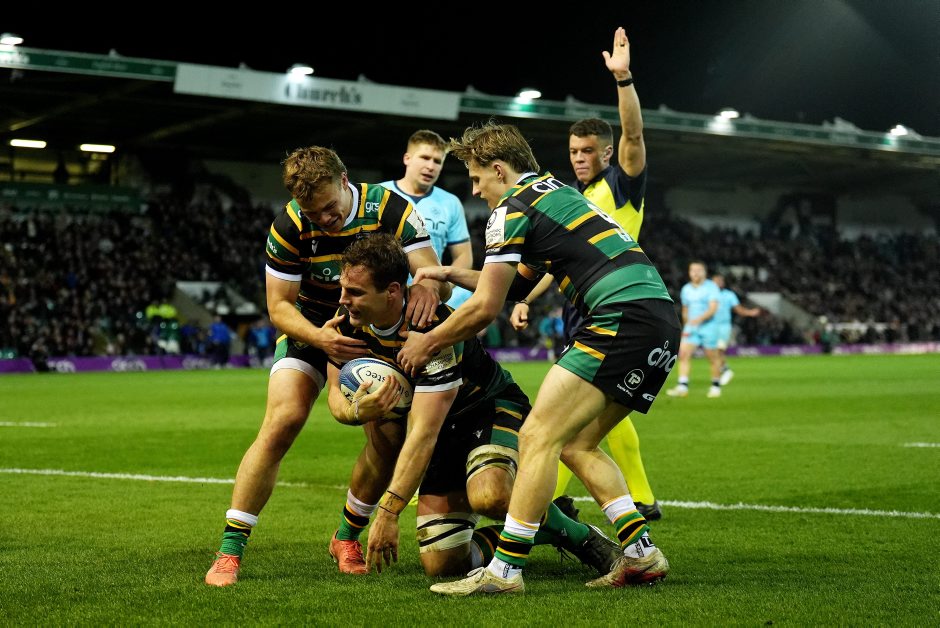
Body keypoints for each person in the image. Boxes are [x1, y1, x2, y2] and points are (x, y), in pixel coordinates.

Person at [398, 119, 680, 593]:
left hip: (618, 318)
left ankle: (504, 572)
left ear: (499, 170)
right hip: (658, 320)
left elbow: (486, 306)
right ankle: (640, 553)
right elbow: (517, 285)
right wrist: (447, 272)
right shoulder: (555, 193)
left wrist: (427, 342)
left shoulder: (510, 209)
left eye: (477, 179)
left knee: (536, 437)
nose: (476, 191)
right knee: (576, 444)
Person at [204, 146, 449, 587]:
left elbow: (432, 275)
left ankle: (345, 538)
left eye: (330, 208)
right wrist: (320, 338)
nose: (324, 219)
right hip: (311, 326)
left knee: (386, 438)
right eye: (313, 213)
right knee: (283, 420)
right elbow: (278, 307)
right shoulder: (288, 226)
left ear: (345, 180)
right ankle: (230, 550)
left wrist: (429, 287)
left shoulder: (390, 208)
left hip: (368, 327)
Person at [323, 234, 619, 578]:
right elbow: (335, 393)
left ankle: (582, 537)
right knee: (443, 563)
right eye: (343, 289)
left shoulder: (430, 326)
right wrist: (357, 412)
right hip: (440, 433)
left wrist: (388, 512)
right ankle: (541, 525)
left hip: (486, 410)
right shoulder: (346, 323)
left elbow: (423, 432)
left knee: (491, 496)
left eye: (355, 292)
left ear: (391, 291)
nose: (343, 300)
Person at [509, 26, 660, 520]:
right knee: (593, 410)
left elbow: (634, 135)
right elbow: (558, 263)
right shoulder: (571, 199)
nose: (578, 158)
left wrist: (623, 80)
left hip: (614, 306)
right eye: (574, 151)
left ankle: (554, 501)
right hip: (583, 306)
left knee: (576, 412)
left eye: (587, 151)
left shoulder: (622, 185)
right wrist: (527, 298)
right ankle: (637, 499)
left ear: (606, 153)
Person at [382, 130, 474, 309]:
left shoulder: (451, 203)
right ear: (407, 158)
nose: (431, 166)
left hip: (430, 296)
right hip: (385, 295)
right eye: (425, 158)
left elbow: (464, 256)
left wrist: (441, 287)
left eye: (437, 161)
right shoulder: (379, 194)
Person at [665, 261, 723, 398]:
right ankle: (682, 386)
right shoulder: (686, 289)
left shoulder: (711, 287)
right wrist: (686, 326)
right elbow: (685, 309)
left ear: (704, 272)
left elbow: (713, 308)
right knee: (683, 354)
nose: (695, 273)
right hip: (691, 328)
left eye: (698, 270)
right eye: (692, 270)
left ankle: (716, 386)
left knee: (712, 357)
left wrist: (699, 319)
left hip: (708, 326)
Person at [712, 273, 762, 385]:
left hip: (723, 327)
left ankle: (725, 372)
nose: (719, 283)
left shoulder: (729, 295)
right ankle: (724, 370)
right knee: (713, 352)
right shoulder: (708, 295)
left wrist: (750, 313)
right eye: (716, 281)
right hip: (710, 327)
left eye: (720, 281)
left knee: (718, 350)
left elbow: (739, 310)